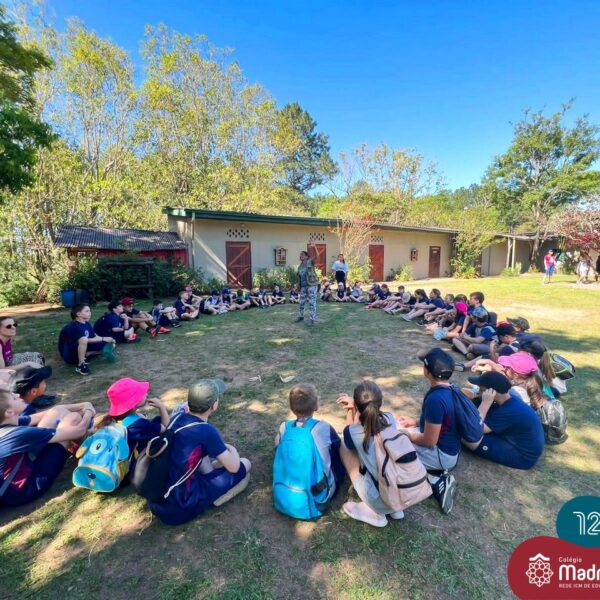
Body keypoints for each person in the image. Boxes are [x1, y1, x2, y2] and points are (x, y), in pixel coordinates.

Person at [149, 379, 251, 526]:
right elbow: (234, 467)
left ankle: (210, 479)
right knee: (245, 464)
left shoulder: (177, 416)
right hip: (180, 506)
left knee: (203, 456)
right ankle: (216, 497)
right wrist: (232, 449)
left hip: (158, 499)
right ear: (214, 405)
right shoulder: (206, 431)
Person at [0, 385, 95, 506]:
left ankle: (82, 445)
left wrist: (84, 406)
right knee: (73, 419)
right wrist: (88, 413)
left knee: (57, 414)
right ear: (9, 412)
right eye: (14, 398)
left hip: (20, 470)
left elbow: (55, 411)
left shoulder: (7, 421)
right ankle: (92, 454)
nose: (18, 395)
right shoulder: (18, 434)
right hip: (23, 489)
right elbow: (78, 431)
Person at [397, 348, 461, 514]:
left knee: (391, 449)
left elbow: (429, 441)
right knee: (398, 432)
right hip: (451, 449)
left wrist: (409, 435)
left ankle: (436, 481)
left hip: (442, 455)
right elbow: (442, 422)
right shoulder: (452, 389)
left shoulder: (435, 399)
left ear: (427, 371)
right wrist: (415, 422)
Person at [336, 380, 406, 527]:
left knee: (343, 445)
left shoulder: (354, 431)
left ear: (357, 405)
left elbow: (350, 433)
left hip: (379, 497)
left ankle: (376, 512)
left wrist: (351, 409)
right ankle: (395, 509)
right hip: (402, 491)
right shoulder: (390, 418)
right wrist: (357, 406)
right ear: (381, 402)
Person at [275, 384, 344, 509]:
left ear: (292, 408)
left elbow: (277, 448)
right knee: (339, 448)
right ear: (316, 406)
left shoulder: (284, 427)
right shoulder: (323, 427)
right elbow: (338, 446)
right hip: (317, 496)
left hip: (285, 493)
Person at [462, 371, 545, 470]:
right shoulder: (510, 400)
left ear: (492, 392)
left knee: (469, 438)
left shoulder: (509, 410)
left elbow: (475, 428)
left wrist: (485, 403)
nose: (478, 390)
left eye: (481, 388)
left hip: (522, 456)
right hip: (513, 441)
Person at [96, 378, 169, 473]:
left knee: (155, 422)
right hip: (129, 469)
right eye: (141, 394)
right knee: (162, 426)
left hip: (114, 462)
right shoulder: (139, 425)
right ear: (133, 404)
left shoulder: (112, 420)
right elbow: (166, 427)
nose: (146, 394)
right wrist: (161, 407)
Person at [58, 304, 115, 375]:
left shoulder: (86, 324)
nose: (90, 313)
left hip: (82, 347)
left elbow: (94, 336)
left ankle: (88, 354)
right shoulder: (73, 326)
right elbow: (83, 340)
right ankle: (81, 365)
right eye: (87, 311)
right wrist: (103, 339)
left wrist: (108, 339)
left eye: (89, 311)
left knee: (110, 344)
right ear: (78, 314)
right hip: (70, 354)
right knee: (84, 339)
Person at [296, 250, 319, 326]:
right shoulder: (300, 267)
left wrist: (314, 247)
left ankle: (312, 319)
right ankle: (301, 316)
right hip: (303, 287)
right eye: (300, 254)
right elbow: (300, 277)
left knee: (312, 302)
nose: (300, 256)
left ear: (306, 256)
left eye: (302, 254)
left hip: (311, 285)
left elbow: (317, 256)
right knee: (301, 302)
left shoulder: (310, 262)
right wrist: (298, 286)